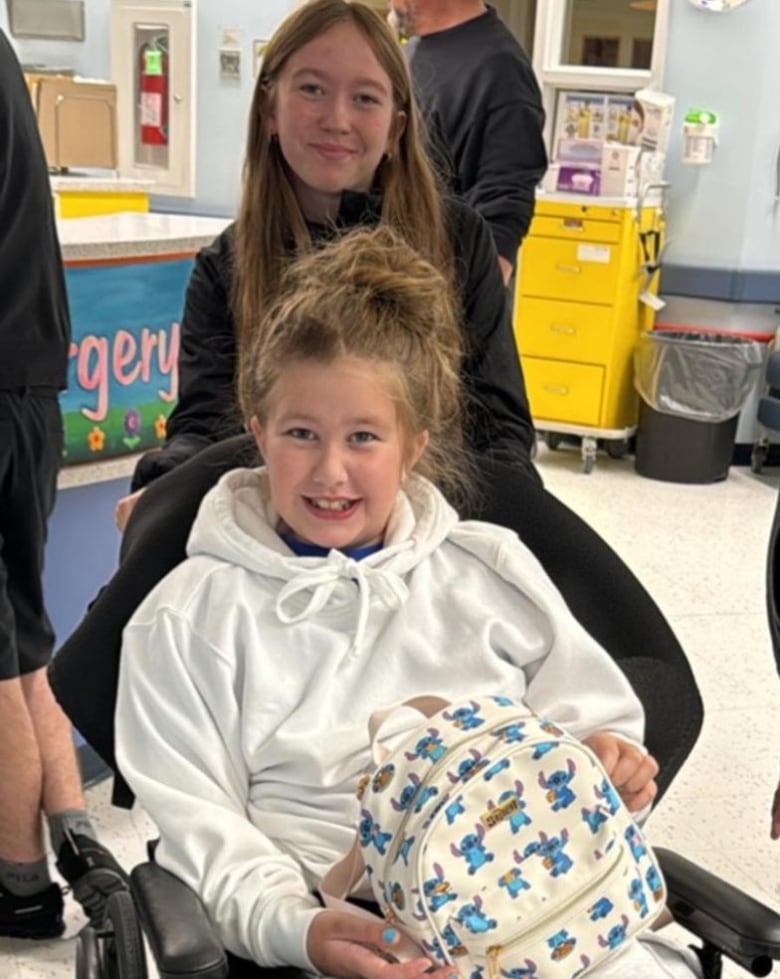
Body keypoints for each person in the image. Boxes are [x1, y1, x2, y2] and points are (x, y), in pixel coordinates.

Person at [49, 0, 697, 807]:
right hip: (278, 485)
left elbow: (500, 421)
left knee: (655, 672)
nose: (336, 119)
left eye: (365, 98)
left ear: (397, 123)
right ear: (271, 107)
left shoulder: (457, 240)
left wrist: (434, 522)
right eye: (312, 90)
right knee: (171, 510)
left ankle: (559, 811)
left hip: (447, 480)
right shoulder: (227, 264)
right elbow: (207, 420)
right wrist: (170, 482)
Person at [115, 227, 700, 979]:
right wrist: (302, 929)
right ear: (257, 432)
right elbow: (205, 835)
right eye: (300, 433)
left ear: (414, 443)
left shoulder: (488, 570)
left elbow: (592, 728)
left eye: (364, 436)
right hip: (342, 933)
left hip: (544, 911)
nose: (330, 470)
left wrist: (612, 764)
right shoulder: (187, 620)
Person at [0, 29, 127, 939]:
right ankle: (79, 853)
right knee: (22, 646)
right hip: (28, 383)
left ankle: (15, 885)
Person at [387, 0, 547, 285]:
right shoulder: (413, 52)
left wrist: (464, 316)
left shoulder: (501, 71)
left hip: (438, 303)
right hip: (391, 289)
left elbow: (504, 207)